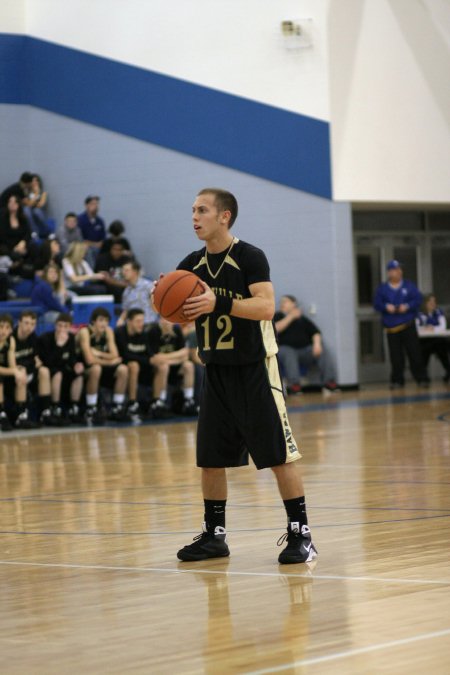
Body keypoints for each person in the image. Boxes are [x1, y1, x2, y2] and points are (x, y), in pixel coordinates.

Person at [156, 187, 317, 565]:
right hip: (216, 370)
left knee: (279, 456)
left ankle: (302, 535)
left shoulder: (249, 256)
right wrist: (161, 298)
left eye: (202, 210)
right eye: (193, 210)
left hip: (255, 368)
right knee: (210, 459)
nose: (195, 217)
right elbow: (176, 312)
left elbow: (266, 307)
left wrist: (220, 301)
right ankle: (215, 536)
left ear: (224, 216)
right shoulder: (191, 264)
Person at [374, 260, 429, 389]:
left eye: (400, 269)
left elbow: (418, 299)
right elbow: (377, 304)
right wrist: (386, 307)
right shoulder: (382, 289)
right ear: (389, 272)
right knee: (396, 357)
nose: (398, 272)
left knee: (415, 354)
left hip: (408, 325)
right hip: (392, 328)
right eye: (395, 269)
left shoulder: (409, 286)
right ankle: (397, 380)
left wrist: (407, 306)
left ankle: (422, 379)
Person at [274, 295, 339, 394]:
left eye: (285, 301)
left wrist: (317, 344)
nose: (282, 304)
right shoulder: (278, 315)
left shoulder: (302, 319)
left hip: (304, 351)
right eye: (281, 302)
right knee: (289, 353)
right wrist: (291, 316)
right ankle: (294, 385)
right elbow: (275, 329)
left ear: (293, 304)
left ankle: (329, 383)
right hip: (285, 349)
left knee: (323, 348)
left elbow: (315, 332)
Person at [114, 308, 172, 419]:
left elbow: (149, 354)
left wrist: (155, 360)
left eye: (142, 321)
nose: (141, 324)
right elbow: (124, 356)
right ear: (129, 321)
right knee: (133, 365)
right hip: (125, 369)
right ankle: (132, 403)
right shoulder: (120, 333)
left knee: (162, 366)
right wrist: (147, 360)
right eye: (138, 321)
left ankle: (157, 402)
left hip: (143, 369)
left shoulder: (144, 333)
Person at [77, 307, 130, 423]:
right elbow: (89, 360)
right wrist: (109, 361)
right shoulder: (85, 332)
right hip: (82, 368)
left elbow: (115, 355)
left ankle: (118, 406)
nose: (104, 324)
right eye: (101, 320)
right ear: (93, 321)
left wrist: (99, 353)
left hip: (102, 366)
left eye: (106, 321)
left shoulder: (108, 331)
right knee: (96, 369)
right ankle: (91, 408)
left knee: (123, 369)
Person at [38, 313, 85, 424]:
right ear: (55, 325)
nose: (62, 329)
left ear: (70, 327)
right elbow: (48, 362)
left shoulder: (71, 338)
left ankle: (74, 408)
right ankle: (55, 408)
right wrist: (59, 346)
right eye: (60, 325)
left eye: (65, 326)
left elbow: (71, 358)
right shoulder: (46, 338)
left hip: (64, 369)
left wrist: (76, 365)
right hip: (49, 370)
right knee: (57, 373)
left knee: (79, 375)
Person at [147, 317, 197, 416]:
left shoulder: (176, 329)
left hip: (173, 365)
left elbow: (185, 353)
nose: (168, 323)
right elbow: (155, 358)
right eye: (165, 320)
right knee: (163, 367)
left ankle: (188, 401)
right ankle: (159, 401)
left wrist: (167, 359)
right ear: (160, 320)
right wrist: (177, 357)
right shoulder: (153, 331)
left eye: (170, 321)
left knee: (189, 365)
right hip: (156, 368)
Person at [13, 310, 55, 425]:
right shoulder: (11, 338)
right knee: (21, 371)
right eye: (26, 323)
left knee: (44, 371)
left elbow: (36, 360)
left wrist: (31, 364)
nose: (29, 327)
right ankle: (21, 416)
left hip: (29, 369)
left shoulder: (33, 338)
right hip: (12, 373)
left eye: (32, 324)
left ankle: (45, 413)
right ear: (19, 322)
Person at [0, 313, 36, 430]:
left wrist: (18, 371)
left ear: (11, 330)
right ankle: (1, 414)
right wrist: (14, 372)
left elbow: (12, 364)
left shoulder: (10, 341)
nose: (3, 331)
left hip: (5, 372)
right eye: (1, 327)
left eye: (7, 328)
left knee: (20, 373)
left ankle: (21, 415)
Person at [416, 293, 450, 383]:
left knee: (441, 346)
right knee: (424, 350)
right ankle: (423, 376)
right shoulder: (419, 314)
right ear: (425, 303)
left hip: (438, 340)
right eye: (430, 302)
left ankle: (448, 371)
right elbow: (417, 328)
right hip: (424, 341)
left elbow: (443, 327)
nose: (433, 304)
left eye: (434, 302)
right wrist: (425, 328)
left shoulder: (439, 312)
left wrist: (432, 328)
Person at [0, 194, 33, 279]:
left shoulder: (22, 218)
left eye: (14, 202)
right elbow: (2, 237)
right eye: (10, 202)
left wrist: (23, 243)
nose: (12, 203)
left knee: (34, 248)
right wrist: (15, 247)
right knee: (12, 254)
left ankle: (33, 272)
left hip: (20, 245)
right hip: (6, 246)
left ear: (18, 204)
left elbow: (28, 233)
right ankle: (14, 274)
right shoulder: (3, 218)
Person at [116, 260, 157, 327]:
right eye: (123, 270)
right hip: (133, 326)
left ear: (135, 272)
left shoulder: (148, 286)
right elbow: (126, 309)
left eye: (127, 270)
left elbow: (157, 304)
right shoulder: (126, 291)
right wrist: (121, 319)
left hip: (148, 324)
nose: (124, 273)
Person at [77, 196, 106, 267]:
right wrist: (94, 244)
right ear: (86, 205)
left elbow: (103, 238)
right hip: (85, 247)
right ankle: (93, 274)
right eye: (93, 204)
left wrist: (100, 244)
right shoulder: (80, 220)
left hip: (98, 247)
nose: (95, 206)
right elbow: (80, 239)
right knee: (89, 251)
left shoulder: (100, 221)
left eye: (97, 204)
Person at [23, 174, 49, 239]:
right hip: (29, 214)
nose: (35, 183)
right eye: (33, 181)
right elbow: (28, 205)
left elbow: (41, 204)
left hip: (40, 213)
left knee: (36, 211)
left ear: (39, 182)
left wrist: (32, 202)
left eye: (36, 181)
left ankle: (48, 231)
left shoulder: (43, 193)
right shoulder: (27, 193)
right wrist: (36, 194)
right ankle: (34, 231)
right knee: (26, 209)